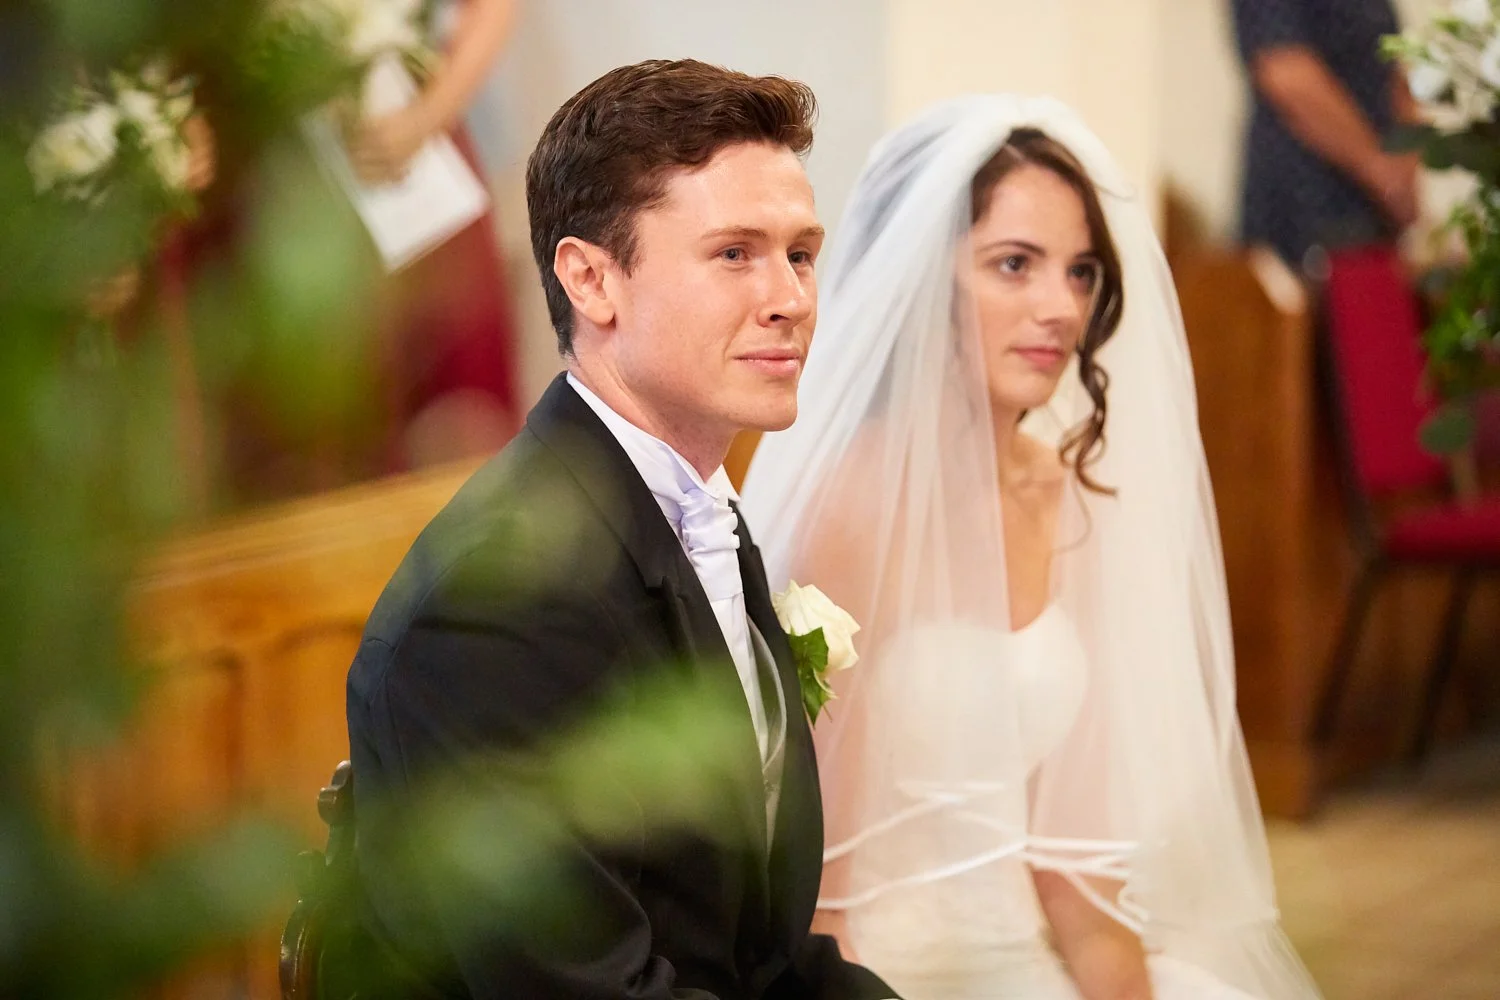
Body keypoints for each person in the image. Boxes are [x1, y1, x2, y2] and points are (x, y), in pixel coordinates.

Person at [740, 96, 1323, 1000]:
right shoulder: (848, 507)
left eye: (1081, 272)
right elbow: (818, 892)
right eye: (1014, 265)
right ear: (922, 281)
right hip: (879, 969)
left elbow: (1075, 866)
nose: (1061, 307)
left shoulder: (1063, 491)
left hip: (1027, 955)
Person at [345, 59, 899, 1000]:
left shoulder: (700, 517)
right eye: (735, 254)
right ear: (592, 280)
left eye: (801, 254)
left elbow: (760, 956)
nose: (792, 298)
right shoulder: (494, 607)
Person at [1232, 0, 1421, 271]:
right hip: (1306, 201)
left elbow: (1394, 63)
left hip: (1377, 211)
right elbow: (1285, 71)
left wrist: (1407, 169)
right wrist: (1383, 173)